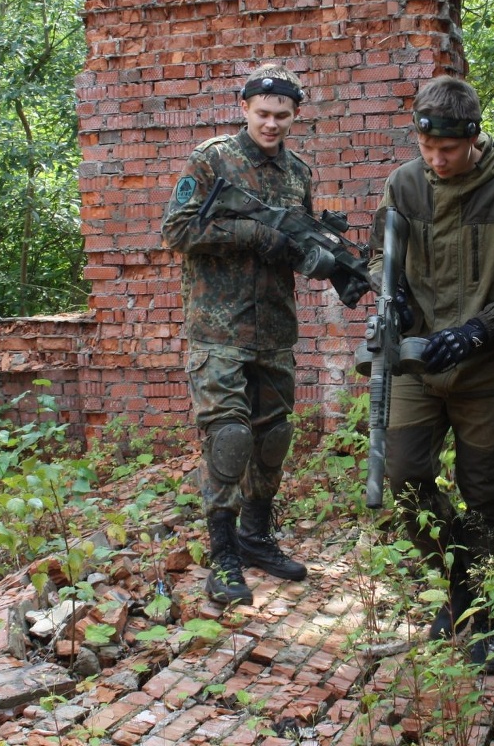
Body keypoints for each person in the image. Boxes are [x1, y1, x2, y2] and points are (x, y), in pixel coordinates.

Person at [370, 74, 494, 672]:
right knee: (403, 481)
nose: (435, 159)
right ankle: (460, 584)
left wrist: (478, 330)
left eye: (447, 149)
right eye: (427, 147)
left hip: (488, 369)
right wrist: (396, 300)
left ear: (473, 136)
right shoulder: (404, 185)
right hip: (415, 366)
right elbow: (388, 260)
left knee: (485, 497)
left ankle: (482, 616)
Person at [162, 64, 347, 606]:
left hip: (274, 330)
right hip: (217, 329)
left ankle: (256, 539)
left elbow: (298, 241)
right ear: (245, 108)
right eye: (263, 114)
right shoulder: (213, 158)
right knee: (228, 439)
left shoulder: (297, 172)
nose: (271, 124)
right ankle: (222, 558)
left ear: (295, 116)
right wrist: (254, 234)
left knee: (271, 439)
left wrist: (319, 257)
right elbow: (177, 229)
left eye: (282, 116)